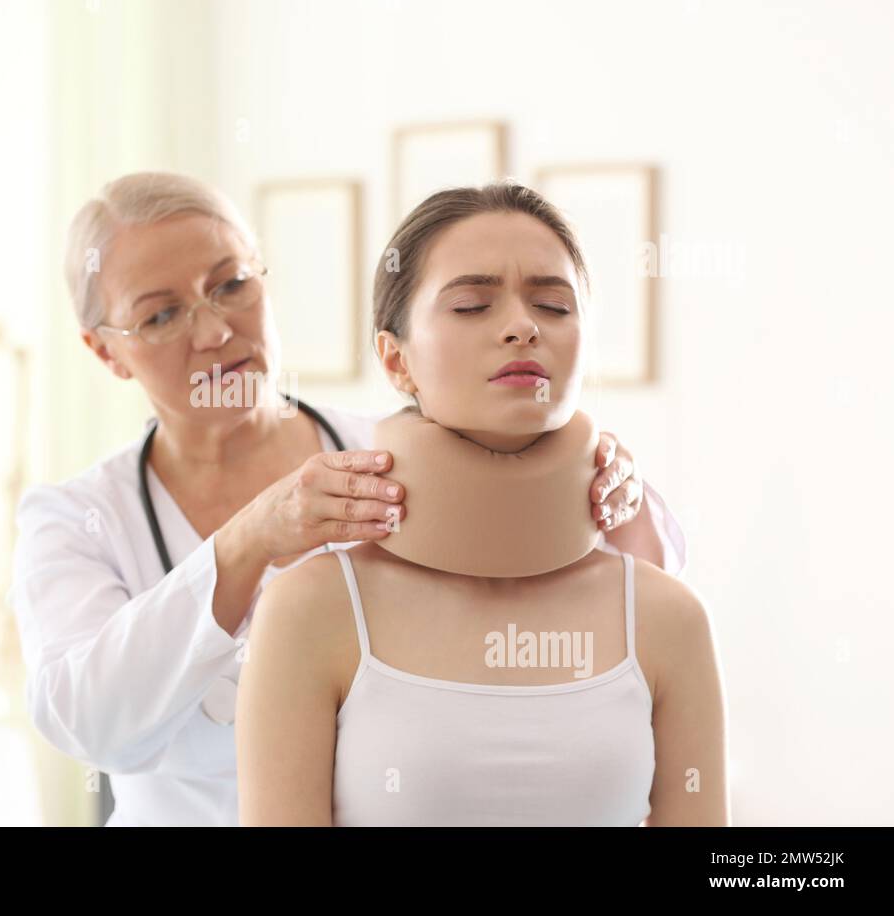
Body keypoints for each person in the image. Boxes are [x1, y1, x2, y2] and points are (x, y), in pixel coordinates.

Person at [8, 171, 689, 826]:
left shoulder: (404, 454)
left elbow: (632, 592)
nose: (216, 331)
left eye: (233, 284)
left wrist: (611, 480)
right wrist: (251, 541)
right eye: (161, 315)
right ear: (106, 353)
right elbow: (89, 722)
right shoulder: (77, 519)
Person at [235, 181, 727, 826]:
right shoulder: (308, 610)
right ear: (396, 360)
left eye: (553, 305)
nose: (522, 326)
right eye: (471, 305)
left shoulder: (668, 617)